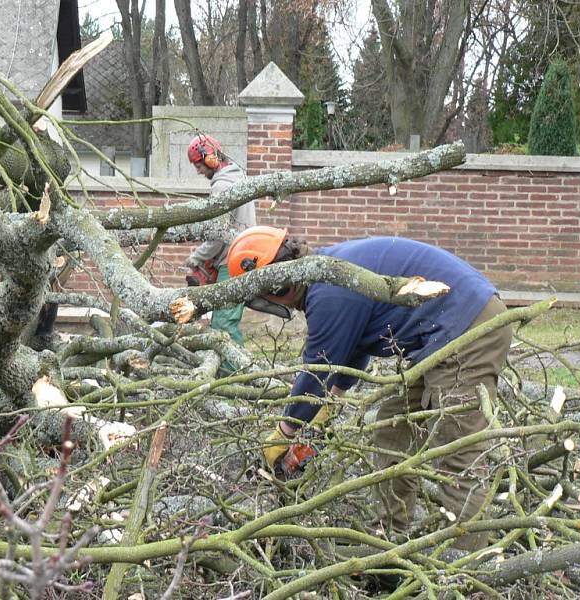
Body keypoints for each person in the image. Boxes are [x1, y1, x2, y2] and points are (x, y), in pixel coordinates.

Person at [226, 226, 513, 551]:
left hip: (469, 327)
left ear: (274, 285)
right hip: (444, 334)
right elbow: (356, 346)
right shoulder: (328, 275)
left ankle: (467, 566)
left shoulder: (328, 291)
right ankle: (391, 538)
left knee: (460, 448)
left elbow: (318, 369)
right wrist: (330, 403)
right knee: (393, 427)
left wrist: (286, 431)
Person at [185, 134, 255, 346]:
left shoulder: (221, 187)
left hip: (232, 264)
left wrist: (195, 258)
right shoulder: (239, 178)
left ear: (210, 158)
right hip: (242, 258)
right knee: (223, 323)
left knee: (224, 327)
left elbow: (217, 236)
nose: (198, 171)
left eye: (199, 165)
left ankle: (237, 375)